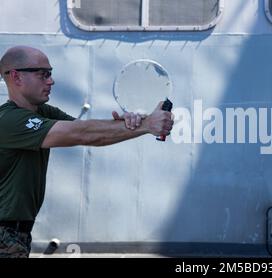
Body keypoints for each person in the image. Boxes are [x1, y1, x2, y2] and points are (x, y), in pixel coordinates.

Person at [0, 46, 174, 258]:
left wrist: (130, 123)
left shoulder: (42, 112)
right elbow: (82, 134)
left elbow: (92, 132)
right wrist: (146, 125)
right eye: (43, 74)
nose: (50, 81)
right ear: (16, 77)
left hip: (16, 234)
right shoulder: (8, 121)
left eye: (50, 74)